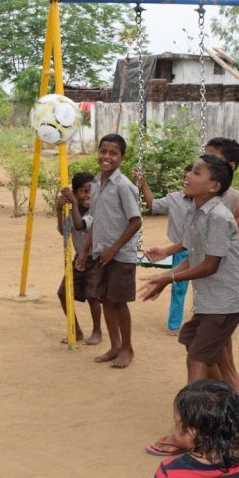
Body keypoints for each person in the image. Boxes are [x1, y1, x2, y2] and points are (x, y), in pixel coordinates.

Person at [140, 155, 239, 456]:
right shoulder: (197, 210)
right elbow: (195, 253)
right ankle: (230, 410)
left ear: (213, 186)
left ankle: (191, 430)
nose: (188, 174)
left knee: (197, 360)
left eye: (196, 172)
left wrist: (168, 279)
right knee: (193, 344)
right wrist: (168, 263)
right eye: (190, 169)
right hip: (212, 301)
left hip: (226, 300)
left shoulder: (217, 216)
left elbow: (210, 265)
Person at [78, 134, 142, 368]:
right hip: (100, 254)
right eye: (103, 151)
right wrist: (85, 250)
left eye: (113, 153)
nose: (106, 157)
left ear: (121, 158)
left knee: (119, 301)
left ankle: (127, 348)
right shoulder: (96, 183)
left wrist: (114, 250)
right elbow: (96, 219)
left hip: (120, 255)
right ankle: (114, 345)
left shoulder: (124, 186)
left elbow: (136, 221)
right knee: (105, 298)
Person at [203, 137, 239, 390]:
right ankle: (225, 379)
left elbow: (234, 237)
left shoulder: (233, 200)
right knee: (217, 335)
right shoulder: (202, 195)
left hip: (222, 274)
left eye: (213, 158)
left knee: (215, 335)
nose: (206, 162)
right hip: (207, 277)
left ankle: (229, 383)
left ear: (230, 167)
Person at [137, 165, 191, 333]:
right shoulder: (174, 198)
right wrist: (144, 184)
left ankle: (207, 321)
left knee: (206, 285)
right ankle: (174, 325)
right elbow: (153, 205)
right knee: (179, 287)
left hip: (205, 248)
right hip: (180, 250)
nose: (187, 180)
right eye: (185, 177)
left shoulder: (208, 200)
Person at [55, 171, 101, 345]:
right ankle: (76, 329)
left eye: (91, 191)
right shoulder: (70, 209)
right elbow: (64, 231)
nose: (88, 195)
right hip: (79, 259)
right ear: (75, 193)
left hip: (95, 259)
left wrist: (73, 203)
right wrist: (59, 210)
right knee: (62, 293)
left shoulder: (96, 210)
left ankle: (97, 331)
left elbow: (80, 226)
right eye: (83, 191)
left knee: (93, 296)